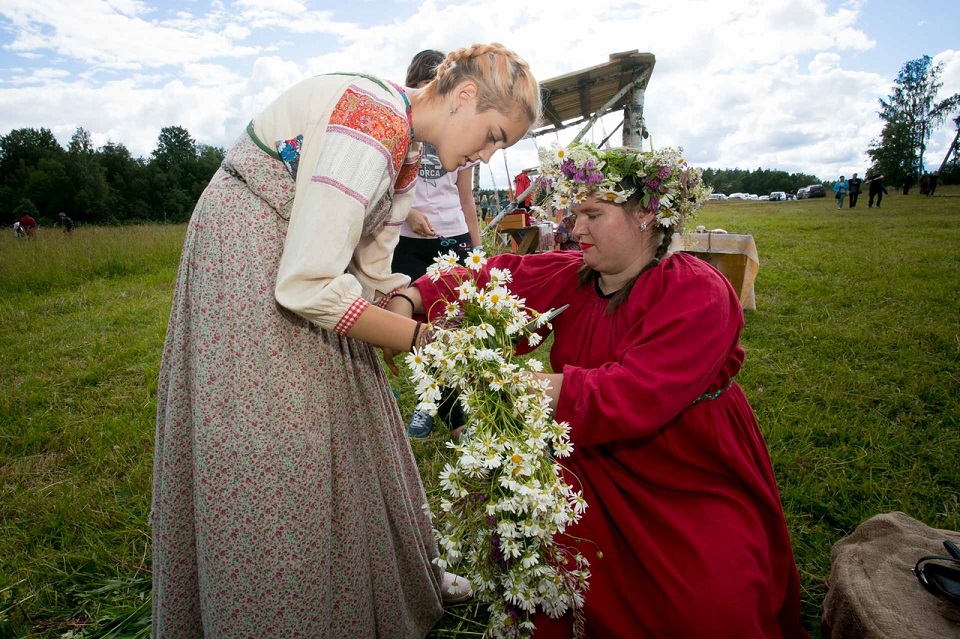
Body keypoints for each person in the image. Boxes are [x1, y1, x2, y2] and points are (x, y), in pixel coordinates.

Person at [151, 43, 540, 638]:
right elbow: (306, 285)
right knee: (278, 432)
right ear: (464, 96)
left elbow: (372, 268)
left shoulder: (407, 148)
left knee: (348, 409)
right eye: (492, 136)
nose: (486, 156)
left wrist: (420, 311)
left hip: (294, 256)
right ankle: (277, 609)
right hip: (251, 248)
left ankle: (366, 582)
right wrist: (420, 337)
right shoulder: (373, 122)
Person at [387, 143, 807, 638]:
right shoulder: (576, 274)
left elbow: (635, 393)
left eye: (592, 214)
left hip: (687, 467)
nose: (575, 228)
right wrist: (411, 295)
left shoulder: (699, 291)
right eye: (573, 214)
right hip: (587, 456)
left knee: (706, 611)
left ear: (646, 215)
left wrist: (507, 382)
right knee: (545, 573)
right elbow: (493, 277)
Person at [391, 49, 482, 440]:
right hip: (409, 243)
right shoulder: (401, 127)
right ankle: (437, 407)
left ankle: (447, 411)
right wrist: (409, 212)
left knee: (451, 326)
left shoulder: (463, 134)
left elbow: (466, 197)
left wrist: (477, 252)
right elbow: (386, 187)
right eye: (425, 84)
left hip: (452, 239)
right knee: (418, 327)